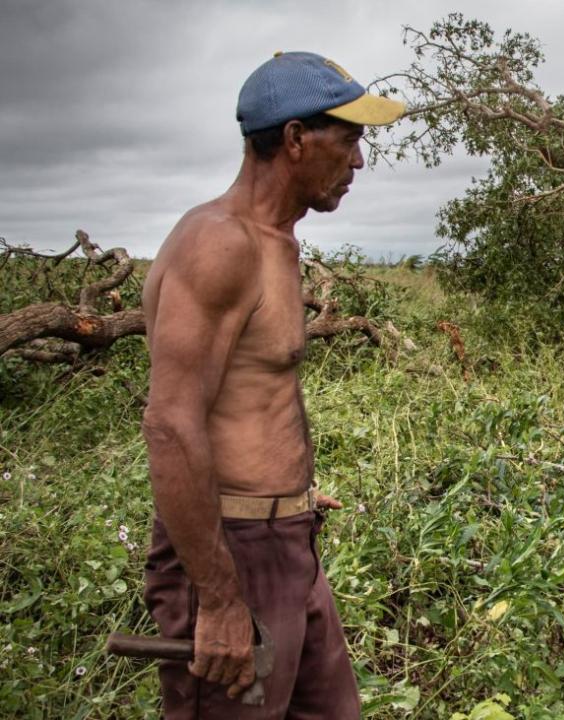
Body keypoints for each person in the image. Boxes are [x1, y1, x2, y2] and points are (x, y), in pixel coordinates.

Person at [139, 51, 404, 718]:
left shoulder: (277, 243)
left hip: (289, 542)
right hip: (232, 556)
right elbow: (171, 424)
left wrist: (291, 492)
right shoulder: (219, 244)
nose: (359, 162)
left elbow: (251, 396)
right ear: (293, 139)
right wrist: (222, 600)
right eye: (347, 140)